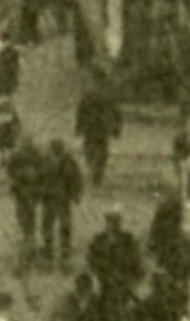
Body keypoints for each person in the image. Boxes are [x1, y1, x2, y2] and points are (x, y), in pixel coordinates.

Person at [39, 139, 84, 270]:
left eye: (58, 148)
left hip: (63, 198)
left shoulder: (69, 161)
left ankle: (65, 248)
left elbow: (76, 178)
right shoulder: (45, 161)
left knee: (65, 224)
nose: (56, 150)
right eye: (54, 148)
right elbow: (39, 178)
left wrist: (76, 194)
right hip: (49, 198)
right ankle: (48, 248)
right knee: (47, 224)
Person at [7, 138, 47, 274]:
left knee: (28, 222)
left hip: (30, 194)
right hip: (23, 193)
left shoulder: (34, 157)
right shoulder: (21, 157)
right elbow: (11, 172)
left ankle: (29, 245)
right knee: (26, 222)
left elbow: (43, 172)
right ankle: (29, 243)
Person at [75, 71, 123, 186]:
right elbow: (116, 113)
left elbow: (81, 112)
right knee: (101, 150)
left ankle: (94, 169)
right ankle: (98, 172)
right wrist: (117, 127)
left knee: (90, 149)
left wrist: (79, 127)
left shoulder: (89, 95)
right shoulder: (108, 95)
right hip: (102, 127)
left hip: (91, 126)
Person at [0, 33, 21, 98]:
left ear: (9, 41)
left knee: (9, 96)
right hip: (1, 79)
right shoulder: (0, 53)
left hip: (9, 78)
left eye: (6, 41)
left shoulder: (13, 52)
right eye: (2, 42)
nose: (4, 43)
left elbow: (15, 67)